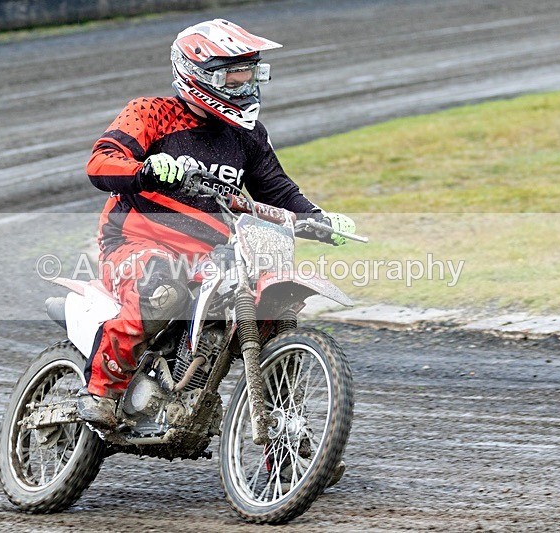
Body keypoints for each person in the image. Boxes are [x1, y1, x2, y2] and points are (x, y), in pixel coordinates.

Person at [78, 18, 355, 427]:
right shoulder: (151, 113)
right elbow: (100, 162)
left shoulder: (247, 136)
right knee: (160, 284)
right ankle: (100, 391)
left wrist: (318, 219)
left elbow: (277, 190)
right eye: (234, 78)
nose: (244, 87)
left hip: (215, 254)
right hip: (133, 241)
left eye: (250, 76)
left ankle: (290, 440)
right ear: (198, 76)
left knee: (271, 316)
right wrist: (148, 170)